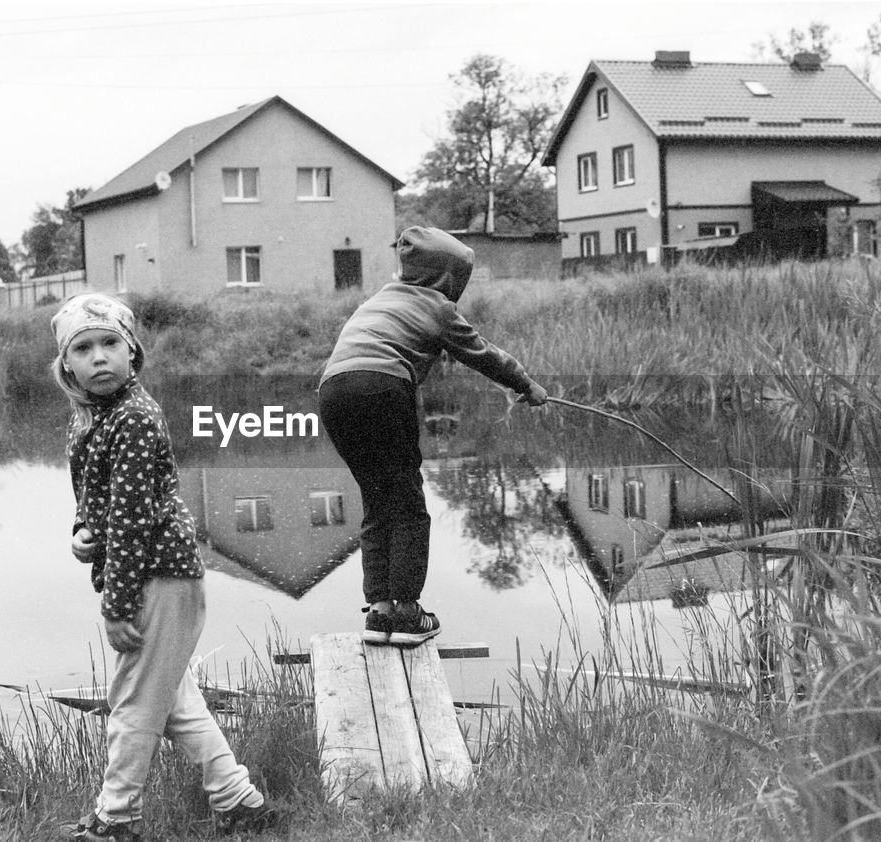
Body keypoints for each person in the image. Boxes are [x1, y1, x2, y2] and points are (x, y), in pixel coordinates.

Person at [50, 293, 277, 841]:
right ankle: (238, 801)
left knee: (130, 704)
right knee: (175, 702)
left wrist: (117, 607)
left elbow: (130, 521)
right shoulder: (91, 417)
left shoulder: (134, 417)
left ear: (134, 354)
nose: (99, 357)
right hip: (144, 573)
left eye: (111, 344)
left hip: (159, 577)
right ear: (66, 364)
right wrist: (83, 532)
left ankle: (116, 817)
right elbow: (99, 501)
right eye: (84, 348)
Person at [318, 226, 549, 647]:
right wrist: (526, 385)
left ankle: (380, 612)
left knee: (378, 499)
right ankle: (407, 615)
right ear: (446, 276)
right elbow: (483, 354)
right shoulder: (437, 306)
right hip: (383, 386)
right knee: (407, 505)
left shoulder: (378, 300)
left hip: (333, 392)